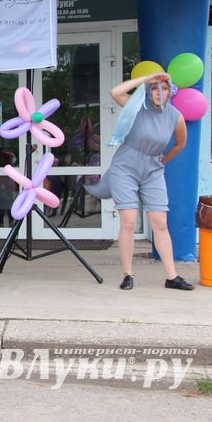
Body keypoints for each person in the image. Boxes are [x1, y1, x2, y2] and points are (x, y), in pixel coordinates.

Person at [84, 73, 194, 291]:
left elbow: (180, 144)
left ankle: (172, 277)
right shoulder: (137, 108)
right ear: (148, 90)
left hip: (153, 170)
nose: (159, 93)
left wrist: (161, 160)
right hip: (125, 167)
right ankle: (128, 275)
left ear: (170, 92)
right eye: (154, 88)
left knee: (160, 223)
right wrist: (147, 77)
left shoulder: (175, 116)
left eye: (164, 88)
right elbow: (115, 92)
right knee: (129, 222)